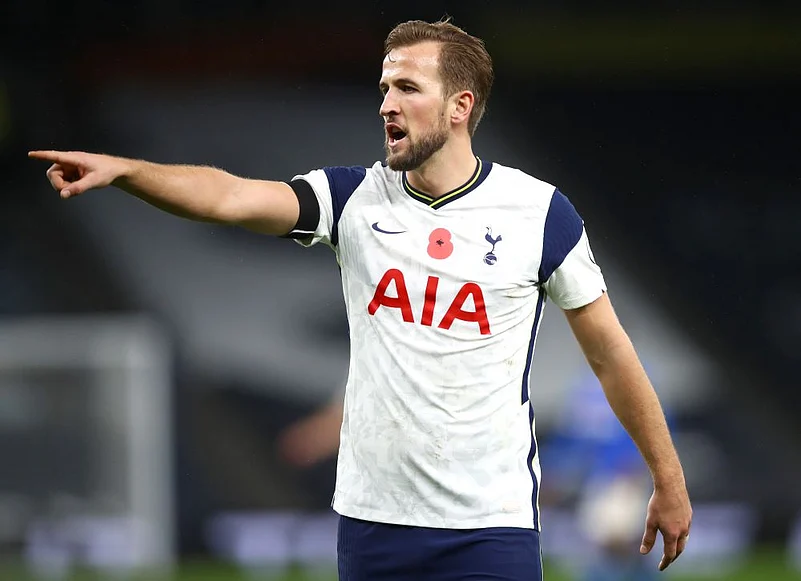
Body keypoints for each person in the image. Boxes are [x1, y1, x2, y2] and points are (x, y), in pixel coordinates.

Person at [29, 18, 692, 581]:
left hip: (491, 526)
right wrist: (128, 171)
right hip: (375, 524)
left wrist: (667, 478)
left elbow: (610, 355)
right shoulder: (352, 199)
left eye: (407, 88)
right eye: (383, 89)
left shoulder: (539, 213)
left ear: (459, 106)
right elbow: (229, 196)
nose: (386, 105)